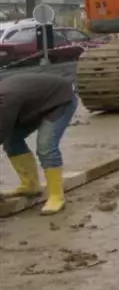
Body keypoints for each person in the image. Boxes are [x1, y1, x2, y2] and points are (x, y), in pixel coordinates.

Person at [0, 72, 78, 215]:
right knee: (12, 141)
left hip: (60, 100)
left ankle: (56, 196)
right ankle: (30, 185)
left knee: (46, 146)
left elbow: (2, 131)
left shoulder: (5, 101)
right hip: (34, 104)